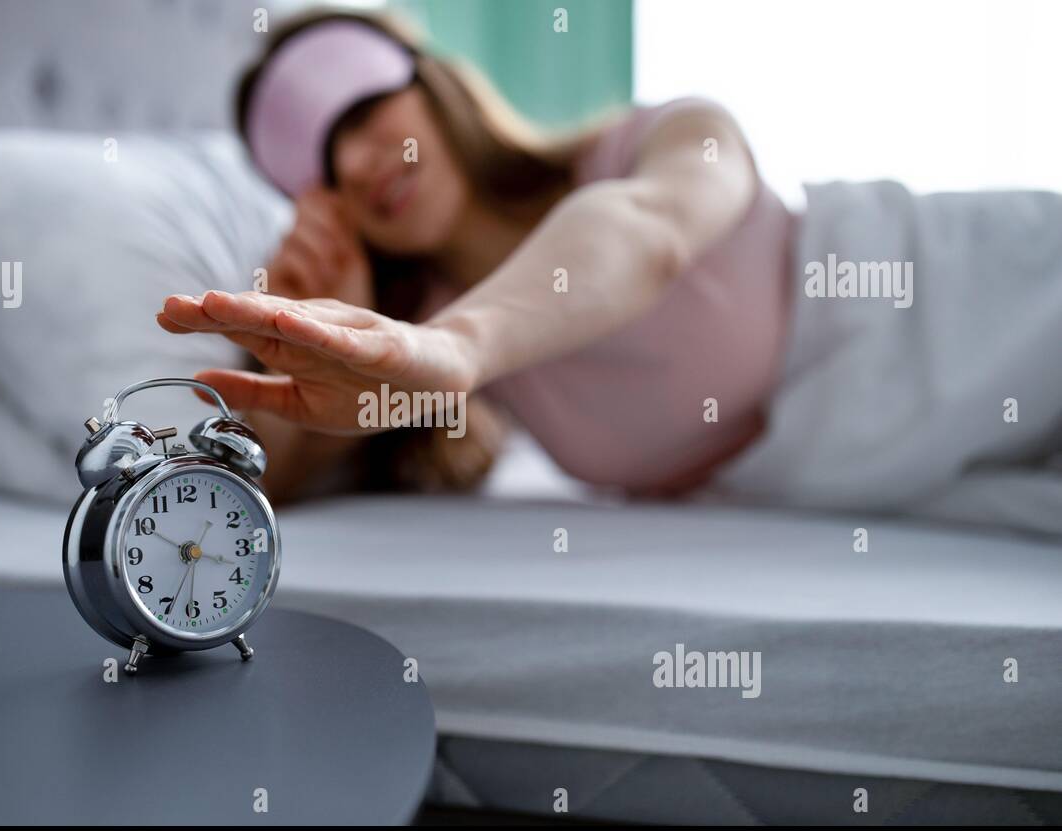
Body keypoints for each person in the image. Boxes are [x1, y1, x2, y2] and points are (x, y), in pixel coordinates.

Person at [157, 10, 1062, 533]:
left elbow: (644, 231)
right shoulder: (433, 358)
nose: (356, 162)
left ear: (431, 83)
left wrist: (459, 344)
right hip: (923, 468)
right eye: (317, 162)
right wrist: (323, 343)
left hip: (984, 292)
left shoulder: (660, 140)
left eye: (361, 111)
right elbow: (262, 492)